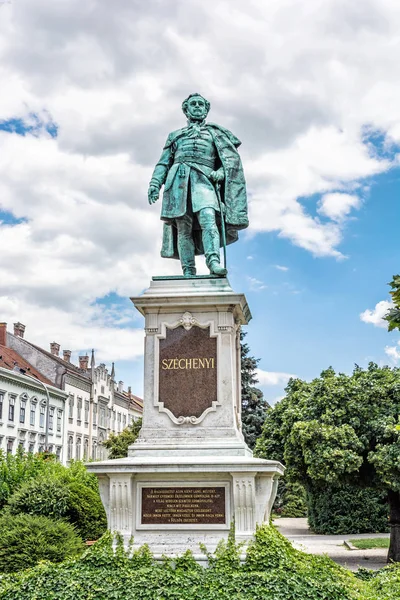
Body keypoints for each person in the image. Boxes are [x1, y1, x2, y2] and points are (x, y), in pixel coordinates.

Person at [148, 93, 248, 277]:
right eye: (193, 104)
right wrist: (155, 183)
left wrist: (221, 172)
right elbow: (164, 162)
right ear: (186, 110)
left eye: (201, 104)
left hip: (204, 181)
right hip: (178, 181)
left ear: (206, 109)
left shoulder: (216, 133)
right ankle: (188, 270)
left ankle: (213, 262)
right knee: (182, 227)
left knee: (209, 219)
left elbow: (231, 162)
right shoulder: (175, 136)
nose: (197, 107)